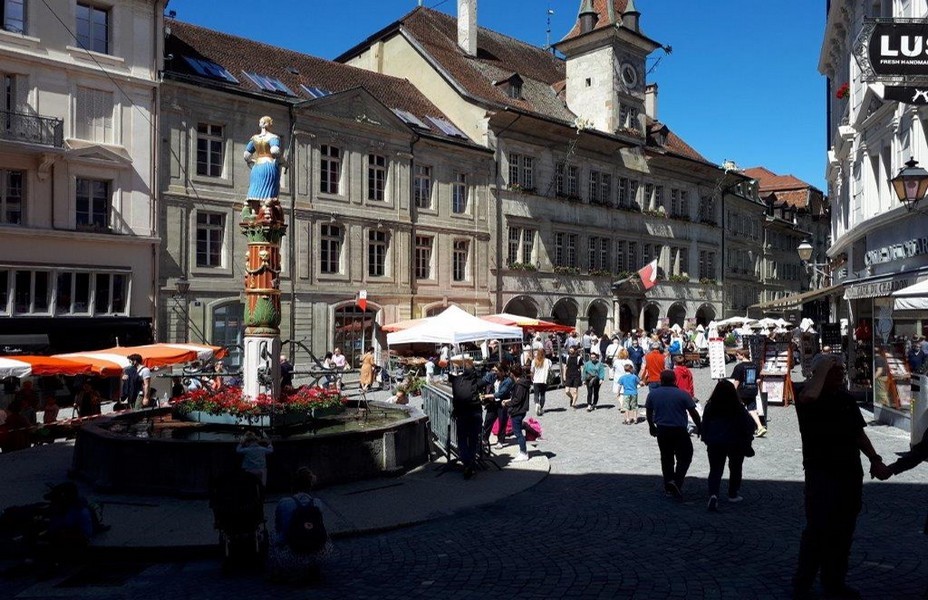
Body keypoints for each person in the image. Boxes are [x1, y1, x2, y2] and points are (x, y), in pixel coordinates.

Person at [792, 356, 887, 600]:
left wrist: (874, 459)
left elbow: (858, 434)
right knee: (817, 530)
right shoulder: (806, 394)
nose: (842, 375)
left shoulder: (845, 399)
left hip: (849, 472)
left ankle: (834, 581)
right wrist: (822, 369)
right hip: (820, 473)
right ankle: (803, 582)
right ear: (820, 373)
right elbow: (808, 396)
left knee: (843, 531)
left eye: (841, 370)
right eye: (836, 371)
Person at [268, 468, 331, 584]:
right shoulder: (317, 502)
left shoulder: (284, 502)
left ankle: (278, 571)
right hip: (317, 552)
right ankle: (313, 566)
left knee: (272, 535)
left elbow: (278, 527)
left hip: (293, 552)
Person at [701, 380, 756, 512]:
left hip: (715, 442)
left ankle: (713, 494)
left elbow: (705, 424)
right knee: (735, 467)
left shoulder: (710, 406)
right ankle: (733, 493)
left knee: (715, 469)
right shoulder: (737, 407)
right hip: (735, 441)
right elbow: (748, 424)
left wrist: (706, 438)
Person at [645, 370, 701, 498]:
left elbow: (649, 412)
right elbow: (693, 413)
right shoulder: (682, 394)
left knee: (666, 458)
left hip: (662, 430)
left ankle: (669, 484)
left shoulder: (653, 394)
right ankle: (677, 480)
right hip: (679, 430)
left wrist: (651, 426)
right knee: (685, 456)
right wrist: (700, 427)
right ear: (674, 380)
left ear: (661, 380)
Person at [450, 359, 484, 479]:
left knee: (462, 439)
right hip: (474, 413)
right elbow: (484, 380)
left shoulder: (456, 381)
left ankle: (466, 462)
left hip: (461, 414)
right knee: (473, 439)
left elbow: (455, 397)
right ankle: (471, 463)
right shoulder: (476, 381)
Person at [244, 115, 282, 201]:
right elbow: (274, 151)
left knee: (254, 192)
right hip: (268, 166)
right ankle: (268, 208)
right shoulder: (273, 137)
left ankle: (254, 211)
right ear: (268, 124)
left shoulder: (254, 138)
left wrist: (252, 161)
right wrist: (281, 158)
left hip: (257, 167)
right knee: (270, 193)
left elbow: (246, 155)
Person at [729, 350, 766, 437]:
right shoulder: (755, 366)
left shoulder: (739, 367)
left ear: (742, 355)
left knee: (736, 409)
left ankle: (737, 428)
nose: (737, 357)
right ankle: (760, 427)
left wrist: (732, 391)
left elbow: (737, 381)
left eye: (737, 355)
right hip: (753, 391)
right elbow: (758, 380)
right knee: (752, 410)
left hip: (742, 392)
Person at [502, 364, 531, 462]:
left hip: (518, 410)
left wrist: (507, 404)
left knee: (517, 432)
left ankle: (523, 452)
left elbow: (517, 399)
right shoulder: (523, 383)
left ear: (513, 374)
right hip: (521, 409)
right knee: (517, 431)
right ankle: (522, 451)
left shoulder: (519, 384)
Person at [482, 364, 513, 452]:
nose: (496, 373)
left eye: (497, 371)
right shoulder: (493, 377)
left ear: (503, 372)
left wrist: (488, 395)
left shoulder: (508, 381)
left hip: (502, 403)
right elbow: (484, 380)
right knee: (488, 420)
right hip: (492, 403)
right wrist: (491, 372)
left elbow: (501, 393)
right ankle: (485, 439)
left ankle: (500, 440)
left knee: (502, 421)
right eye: (495, 371)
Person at [530, 349, 551, 416]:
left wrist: (532, 377)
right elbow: (549, 369)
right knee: (542, 394)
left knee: (536, 394)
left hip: (536, 380)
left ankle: (537, 404)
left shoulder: (534, 361)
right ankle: (541, 408)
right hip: (544, 380)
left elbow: (532, 371)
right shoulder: (548, 361)